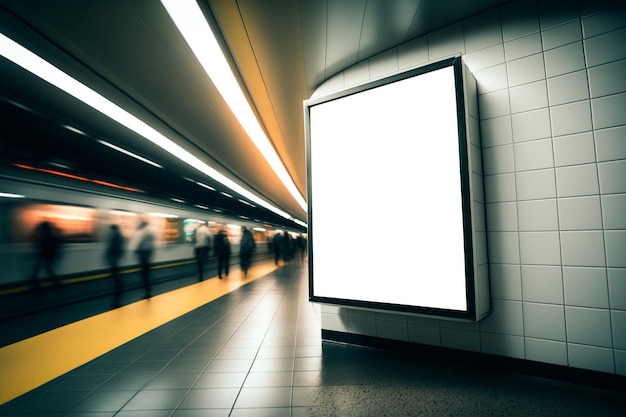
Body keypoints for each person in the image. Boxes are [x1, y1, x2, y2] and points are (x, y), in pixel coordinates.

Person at [30, 220, 62, 287]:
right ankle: (56, 281)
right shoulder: (49, 236)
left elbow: (44, 246)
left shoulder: (47, 236)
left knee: (42, 268)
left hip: (45, 255)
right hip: (46, 255)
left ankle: (34, 281)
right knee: (45, 268)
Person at [134, 214, 155, 298]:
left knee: (144, 275)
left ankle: (147, 292)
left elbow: (140, 242)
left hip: (143, 254)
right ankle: (148, 290)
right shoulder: (150, 230)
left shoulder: (144, 231)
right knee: (146, 274)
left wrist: (136, 250)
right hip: (148, 254)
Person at [106, 224, 125, 306]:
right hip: (114, 262)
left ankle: (115, 301)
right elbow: (118, 249)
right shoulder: (117, 236)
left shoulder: (113, 236)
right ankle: (115, 302)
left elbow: (111, 249)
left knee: (116, 282)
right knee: (119, 283)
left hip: (112, 261)